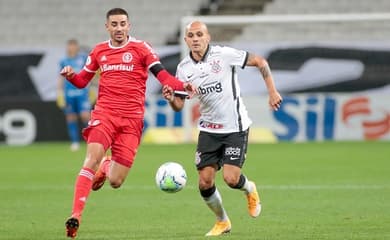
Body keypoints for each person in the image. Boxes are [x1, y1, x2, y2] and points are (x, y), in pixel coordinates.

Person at [60, 8, 196, 239]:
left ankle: (106, 167)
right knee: (90, 159)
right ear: (107, 27)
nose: (119, 28)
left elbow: (163, 76)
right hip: (105, 114)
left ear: (129, 26)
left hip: (131, 121)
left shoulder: (141, 49)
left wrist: (182, 86)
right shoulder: (99, 51)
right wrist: (72, 75)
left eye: (123, 24)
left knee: (116, 181)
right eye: (114, 24)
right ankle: (75, 216)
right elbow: (83, 81)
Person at [162, 21, 283, 237]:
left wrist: (272, 92)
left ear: (208, 37)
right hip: (208, 129)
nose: (196, 39)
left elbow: (260, 61)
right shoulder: (183, 69)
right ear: (186, 40)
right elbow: (179, 106)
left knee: (231, 179)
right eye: (191, 35)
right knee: (204, 182)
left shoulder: (224, 55)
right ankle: (222, 221)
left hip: (235, 127)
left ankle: (250, 189)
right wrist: (172, 98)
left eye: (200, 34)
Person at [57, 39, 91, 151]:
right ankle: (75, 142)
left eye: (73, 46)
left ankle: (91, 141)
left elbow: (90, 73)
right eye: (69, 46)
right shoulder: (63, 61)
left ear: (77, 47)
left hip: (82, 93)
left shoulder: (83, 58)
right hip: (69, 94)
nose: (71, 48)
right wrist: (59, 92)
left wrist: (94, 87)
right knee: (71, 117)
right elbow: (61, 77)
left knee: (85, 116)